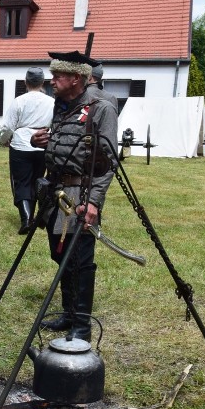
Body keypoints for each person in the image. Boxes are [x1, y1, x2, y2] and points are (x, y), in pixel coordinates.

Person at [31, 51, 119, 342]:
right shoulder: (61, 106)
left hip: (79, 195)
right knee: (60, 256)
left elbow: (107, 163)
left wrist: (93, 202)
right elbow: (62, 146)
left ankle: (81, 324)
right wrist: (39, 142)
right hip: (55, 194)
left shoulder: (101, 109)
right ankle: (68, 313)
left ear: (76, 79)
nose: (52, 80)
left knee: (80, 260)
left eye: (58, 76)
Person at [0, 67, 55, 234]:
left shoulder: (19, 101)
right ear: (43, 82)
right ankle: (37, 216)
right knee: (38, 180)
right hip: (43, 143)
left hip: (21, 145)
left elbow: (8, 126)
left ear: (26, 82)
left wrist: (3, 140)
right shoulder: (51, 102)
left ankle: (26, 219)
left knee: (22, 181)